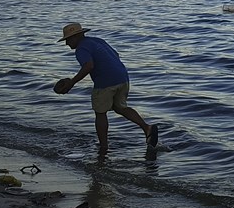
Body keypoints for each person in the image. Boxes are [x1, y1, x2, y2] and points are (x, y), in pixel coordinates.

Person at [56, 22, 158, 153]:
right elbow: (115, 54)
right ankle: (147, 128)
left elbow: (88, 66)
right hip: (122, 77)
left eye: (68, 40)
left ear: (76, 37)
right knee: (120, 107)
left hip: (105, 82)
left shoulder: (81, 49)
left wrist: (71, 83)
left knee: (100, 113)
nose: (67, 44)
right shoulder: (98, 41)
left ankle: (103, 147)